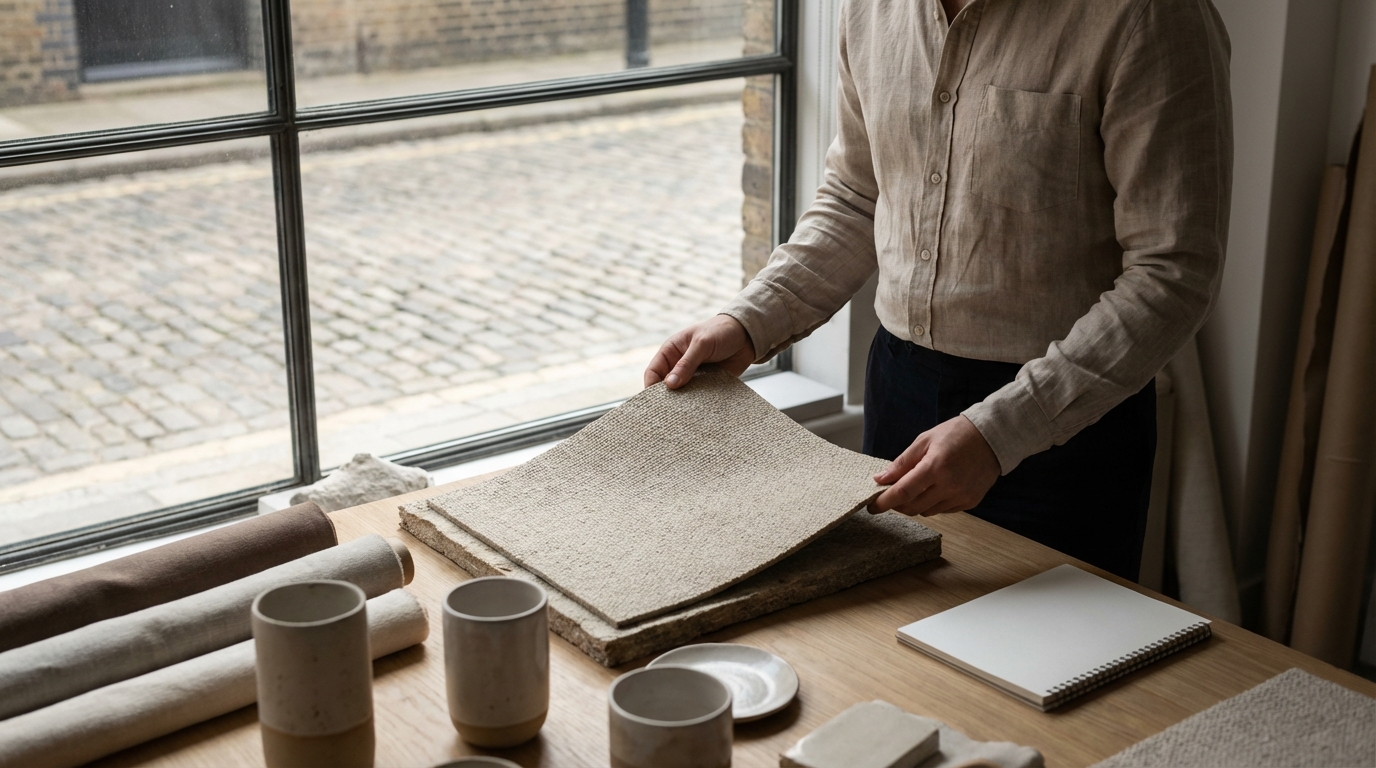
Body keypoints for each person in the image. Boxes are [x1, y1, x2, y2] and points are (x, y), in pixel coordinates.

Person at [643, 0, 1232, 581]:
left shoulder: (1151, 16)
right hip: (899, 390)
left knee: (1047, 670)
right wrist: (749, 321)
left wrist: (1001, 433)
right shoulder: (869, 11)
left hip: (1066, 431)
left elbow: (1173, 270)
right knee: (887, 654)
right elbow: (856, 196)